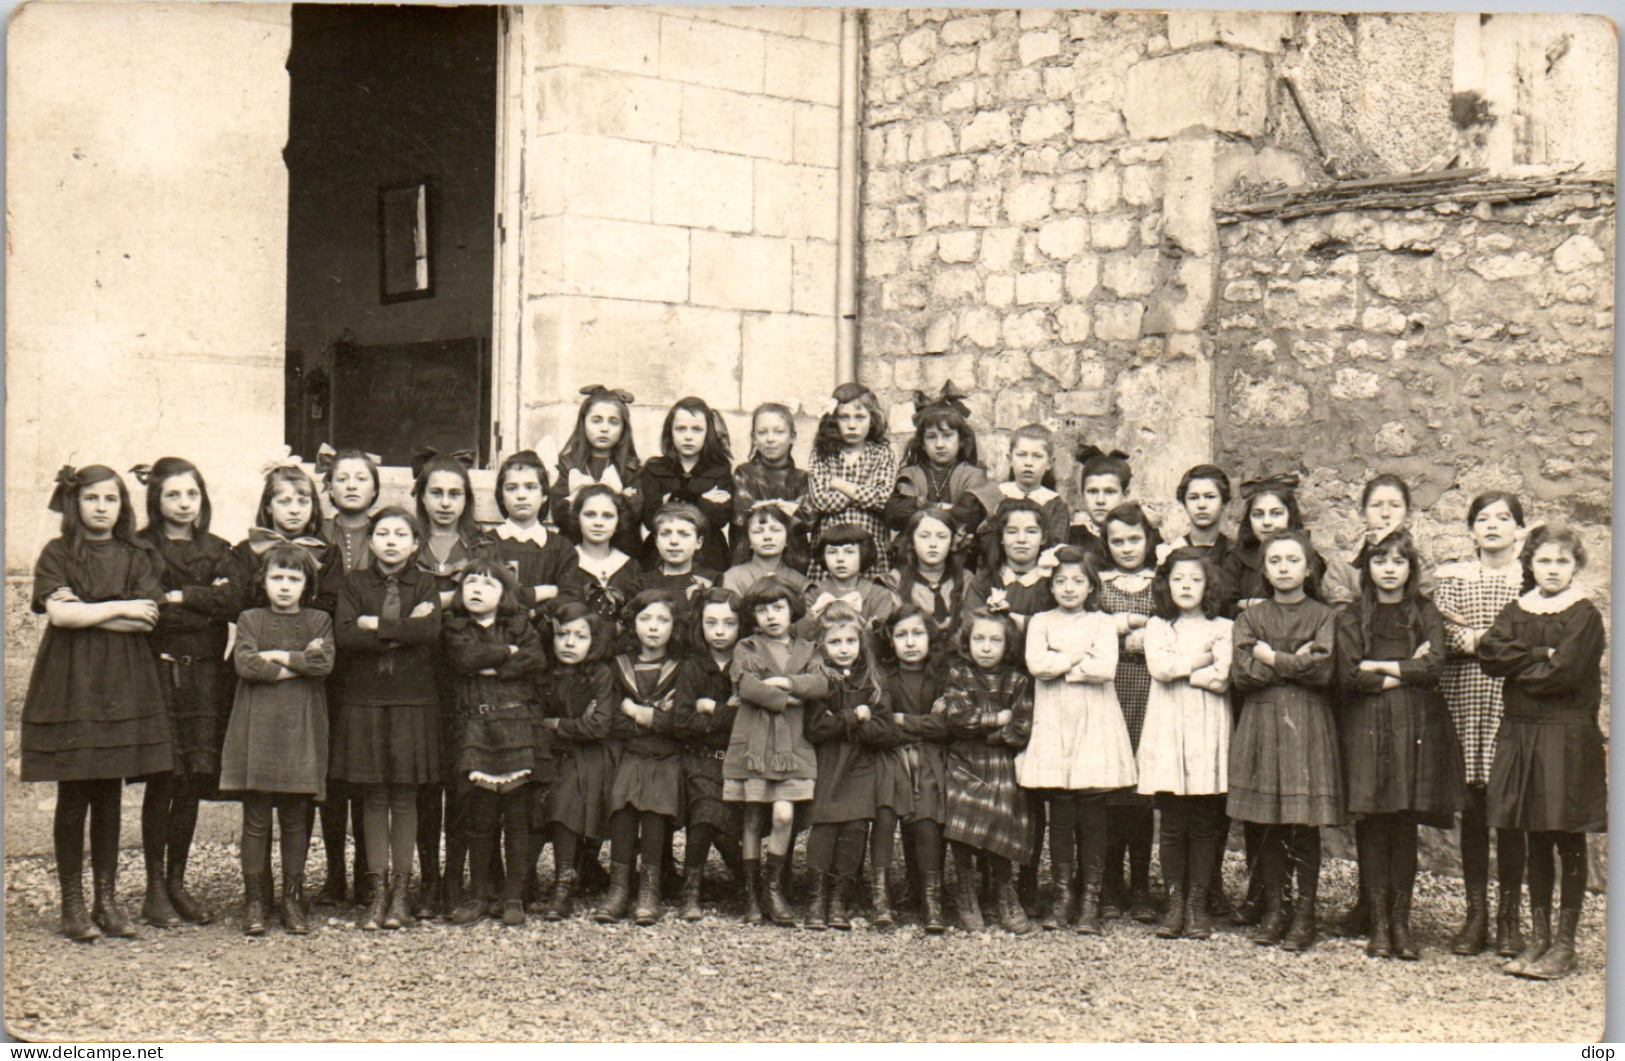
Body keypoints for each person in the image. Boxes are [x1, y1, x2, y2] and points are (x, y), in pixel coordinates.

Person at [22, 465, 171, 940]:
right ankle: (71, 904)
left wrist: (89, 610)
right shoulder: (58, 553)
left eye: (110, 499)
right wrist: (117, 606)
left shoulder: (136, 553)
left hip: (123, 678)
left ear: (122, 506)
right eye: (91, 499)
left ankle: (106, 902)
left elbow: (145, 619)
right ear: (75, 504)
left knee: (108, 791)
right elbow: (59, 616)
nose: (101, 507)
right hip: (71, 678)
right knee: (75, 790)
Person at [1480, 524, 1606, 980]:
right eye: (1545, 560)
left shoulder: (1583, 615)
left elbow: (1563, 674)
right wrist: (1540, 652)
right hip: (1521, 732)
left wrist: (1527, 666)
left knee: (1566, 833)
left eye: (1563, 561)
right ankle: (1539, 939)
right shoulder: (1516, 609)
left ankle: (1566, 945)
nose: (1553, 570)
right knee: (1532, 832)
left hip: (1566, 734)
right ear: (1530, 564)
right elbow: (1490, 657)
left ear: (1576, 566)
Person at [1337, 530, 1461, 960]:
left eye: (1398, 561)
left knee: (1403, 822)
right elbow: (1349, 673)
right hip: (1368, 724)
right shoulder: (1354, 615)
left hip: (1414, 723)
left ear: (1410, 569)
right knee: (1373, 820)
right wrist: (1402, 670)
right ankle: (1378, 925)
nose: (1389, 569)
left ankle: (1401, 924)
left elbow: (1434, 666)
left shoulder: (1424, 611)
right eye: (1380, 561)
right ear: (1368, 569)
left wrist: (1380, 665)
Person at [135, 457, 238, 927]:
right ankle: (154, 887)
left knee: (194, 781)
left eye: (191, 494)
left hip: (206, 679)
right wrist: (201, 598)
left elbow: (233, 602)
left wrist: (180, 596)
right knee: (163, 779)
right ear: (157, 500)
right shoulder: (139, 548)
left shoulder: (219, 549)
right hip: (158, 674)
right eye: (173, 494)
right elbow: (148, 607)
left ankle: (178, 881)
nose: (183, 503)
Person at [1228, 529, 1341, 953]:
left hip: (1306, 719)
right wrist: (1296, 659)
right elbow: (1242, 675)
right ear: (1264, 569)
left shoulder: (1324, 616)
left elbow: (1323, 670)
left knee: (1301, 819)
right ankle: (1277, 908)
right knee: (1268, 820)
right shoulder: (1250, 618)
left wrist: (1270, 656)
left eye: (1293, 560)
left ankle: (1305, 913)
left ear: (1309, 567)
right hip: (1262, 720)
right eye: (1275, 561)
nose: (1284, 568)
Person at [331, 507, 443, 931]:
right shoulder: (354, 583)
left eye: (401, 534)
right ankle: (376, 891)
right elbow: (344, 635)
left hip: (413, 700)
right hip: (365, 700)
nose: (391, 541)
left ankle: (401, 892)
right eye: (382, 533)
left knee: (405, 795)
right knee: (373, 795)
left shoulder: (426, 582)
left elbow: (429, 632)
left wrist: (373, 626)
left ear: (416, 544)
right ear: (370, 541)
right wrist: (399, 629)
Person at [1016, 546, 1133, 935]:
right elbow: (1037, 665)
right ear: (1050, 585)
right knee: (1061, 809)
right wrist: (1077, 658)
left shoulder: (1102, 622)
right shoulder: (1040, 621)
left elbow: (1105, 669)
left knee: (1092, 806)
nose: (1069, 588)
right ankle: (1063, 895)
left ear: (1091, 585)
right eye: (1061, 581)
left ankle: (1090, 899)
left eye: (1078, 581)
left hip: (1094, 719)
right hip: (1054, 720)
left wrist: (1060, 660)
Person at [220, 542, 333, 935]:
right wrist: (298, 659)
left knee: (295, 819)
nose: (285, 586)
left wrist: (277, 655)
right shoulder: (250, 618)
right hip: (257, 726)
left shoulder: (319, 620)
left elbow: (324, 663)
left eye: (294, 579)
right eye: (277, 578)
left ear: (307, 584)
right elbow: (245, 665)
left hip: (300, 726)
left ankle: (291, 899)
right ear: (263, 581)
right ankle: (255, 900)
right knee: (255, 819)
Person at [1433, 491, 1528, 957]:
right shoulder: (1452, 576)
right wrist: (1494, 640)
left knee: (1508, 809)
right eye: (1483, 519)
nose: (1493, 526)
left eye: (1503, 518)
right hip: (1464, 700)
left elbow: (1531, 636)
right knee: (1472, 809)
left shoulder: (1527, 579)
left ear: (1519, 529)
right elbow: (1446, 633)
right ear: (1471, 530)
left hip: (1513, 701)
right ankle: (1476, 914)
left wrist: (1479, 637)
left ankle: (1510, 916)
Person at [441, 561, 548, 927]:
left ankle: (513, 896)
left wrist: (496, 660)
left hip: (516, 725)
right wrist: (508, 654)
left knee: (517, 818)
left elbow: (536, 660)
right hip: (475, 726)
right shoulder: (455, 628)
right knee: (481, 817)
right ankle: (479, 895)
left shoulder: (520, 625)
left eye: (488, 585)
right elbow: (464, 658)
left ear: (504, 595)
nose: (477, 589)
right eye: (470, 582)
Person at [1137, 547, 1232, 941]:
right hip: (1168, 726)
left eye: (1195, 579)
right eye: (1178, 579)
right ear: (1165, 584)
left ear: (1208, 584)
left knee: (1205, 821)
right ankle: (1175, 901)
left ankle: (1198, 901)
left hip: (1207, 727)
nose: (1186, 586)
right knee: (1173, 822)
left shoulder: (1224, 626)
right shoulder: (1159, 626)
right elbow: (1160, 669)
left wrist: (1185, 667)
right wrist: (1201, 662)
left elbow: (1224, 676)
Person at [724, 577, 827, 926]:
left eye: (778, 608)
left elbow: (820, 684)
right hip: (754, 742)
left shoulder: (809, 648)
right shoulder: (747, 647)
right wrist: (792, 699)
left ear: (792, 610)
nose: (771, 616)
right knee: (753, 817)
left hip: (793, 745)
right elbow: (748, 688)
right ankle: (753, 896)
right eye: (762, 609)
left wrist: (783, 682)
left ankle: (773, 887)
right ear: (753, 615)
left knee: (783, 816)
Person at [312, 448, 380, 908]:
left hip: (371, 661)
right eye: (343, 478)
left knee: (365, 769)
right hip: (327, 662)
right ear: (329, 487)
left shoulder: (389, 532)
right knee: (332, 772)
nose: (352, 485)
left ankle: (367, 872)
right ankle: (335, 871)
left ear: (375, 488)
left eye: (361, 478)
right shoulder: (317, 536)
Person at [941, 609, 1036, 935]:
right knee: (961, 803)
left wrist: (988, 732)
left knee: (1003, 804)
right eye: (978, 639)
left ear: (1007, 644)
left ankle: (1004, 890)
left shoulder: (1017, 680)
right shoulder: (959, 675)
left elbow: (1021, 728)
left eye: (995, 640)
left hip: (1002, 762)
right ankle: (965, 887)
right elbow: (957, 718)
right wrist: (997, 720)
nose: (986, 647)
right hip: (964, 759)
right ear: (967, 642)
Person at [595, 591, 687, 925]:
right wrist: (648, 718)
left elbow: (681, 720)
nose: (654, 627)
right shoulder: (620, 667)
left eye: (663, 620)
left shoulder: (682, 668)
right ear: (633, 624)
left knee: (653, 807)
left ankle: (650, 889)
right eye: (646, 619)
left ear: (675, 626)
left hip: (666, 756)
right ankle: (619, 889)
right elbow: (611, 719)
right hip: (630, 754)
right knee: (623, 804)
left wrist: (637, 712)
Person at [1094, 501, 1162, 923]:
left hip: (1151, 691)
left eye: (1134, 539)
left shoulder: (1162, 585)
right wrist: (1122, 636)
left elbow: (1169, 629)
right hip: (1109, 690)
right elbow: (1091, 630)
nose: (1126, 548)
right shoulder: (1100, 587)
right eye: (1117, 541)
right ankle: (1109, 882)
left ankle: (1140, 883)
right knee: (1109, 789)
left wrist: (1143, 636)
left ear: (1148, 540)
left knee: (1141, 791)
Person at [802, 601, 890, 931]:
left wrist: (849, 723)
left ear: (861, 643)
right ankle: (815, 901)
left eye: (850, 641)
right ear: (823, 645)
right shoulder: (819, 680)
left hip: (861, 765)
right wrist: (855, 716)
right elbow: (815, 728)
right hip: (828, 763)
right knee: (824, 828)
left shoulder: (872, 680)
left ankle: (840, 899)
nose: (844, 649)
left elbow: (884, 730)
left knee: (855, 829)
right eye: (835, 642)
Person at [870, 607, 950, 931]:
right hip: (891, 756)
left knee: (928, 818)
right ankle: (881, 898)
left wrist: (906, 720)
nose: (910, 642)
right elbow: (883, 726)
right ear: (890, 640)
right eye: (901, 635)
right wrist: (923, 722)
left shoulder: (941, 678)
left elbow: (946, 726)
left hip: (930, 757)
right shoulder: (883, 677)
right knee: (886, 814)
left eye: (917, 634)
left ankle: (932, 901)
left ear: (930, 637)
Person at [538, 602, 619, 921]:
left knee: (568, 790)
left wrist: (557, 724)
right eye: (563, 635)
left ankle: (563, 883)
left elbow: (599, 726)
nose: (570, 643)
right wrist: (572, 726)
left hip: (593, 754)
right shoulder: (543, 673)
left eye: (580, 636)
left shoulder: (600, 673)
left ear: (594, 641)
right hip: (550, 752)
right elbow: (534, 721)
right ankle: (530, 877)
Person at [672, 588, 748, 920]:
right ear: (699, 625)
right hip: (700, 758)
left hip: (740, 758)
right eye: (711, 622)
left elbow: (751, 719)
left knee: (716, 819)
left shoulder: (746, 663)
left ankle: (745, 881)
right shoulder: (692, 666)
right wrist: (727, 712)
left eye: (729, 623)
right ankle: (692, 891)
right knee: (705, 810)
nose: (720, 631)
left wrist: (711, 710)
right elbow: (683, 722)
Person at [803, 382, 897, 580]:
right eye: (844, 417)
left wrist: (840, 484)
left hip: (870, 544)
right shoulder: (822, 454)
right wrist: (863, 491)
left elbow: (881, 499)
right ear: (833, 420)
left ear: (872, 420)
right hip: (830, 547)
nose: (852, 425)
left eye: (860, 417)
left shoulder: (882, 454)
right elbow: (821, 501)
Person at [638, 396, 735, 574]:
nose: (688, 436)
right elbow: (650, 516)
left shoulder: (719, 470)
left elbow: (719, 516)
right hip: (661, 555)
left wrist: (672, 498)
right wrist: (700, 499)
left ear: (708, 433)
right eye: (681, 429)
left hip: (708, 554)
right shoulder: (655, 468)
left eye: (697, 429)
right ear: (670, 433)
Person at [884, 382, 988, 542]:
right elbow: (894, 514)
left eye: (947, 436)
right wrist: (944, 508)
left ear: (961, 441)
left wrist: (923, 507)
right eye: (931, 437)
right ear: (923, 445)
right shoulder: (911, 474)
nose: (939, 444)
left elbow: (970, 516)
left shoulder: (972, 476)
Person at [547, 383, 643, 557]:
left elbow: (633, 515)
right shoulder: (568, 466)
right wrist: (618, 497)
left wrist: (580, 500)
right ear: (583, 423)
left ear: (624, 428)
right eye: (596, 420)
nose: (604, 428)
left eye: (613, 422)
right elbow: (559, 515)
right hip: (575, 550)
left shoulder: (631, 469)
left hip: (621, 551)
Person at [489, 448, 580, 622]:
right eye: (511, 488)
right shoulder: (486, 544)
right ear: (501, 496)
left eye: (531, 487)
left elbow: (571, 596)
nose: (521, 495)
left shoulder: (561, 548)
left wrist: (540, 611)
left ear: (544, 495)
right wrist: (541, 593)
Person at [960, 424, 1071, 561]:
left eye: (1037, 456)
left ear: (1049, 463)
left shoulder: (1056, 504)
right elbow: (976, 544)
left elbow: (1056, 550)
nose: (1028, 463)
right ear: (1010, 459)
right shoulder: (993, 495)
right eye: (1021, 455)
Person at [730, 402, 810, 572]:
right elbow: (743, 515)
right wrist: (787, 509)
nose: (770, 439)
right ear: (753, 438)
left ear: (792, 436)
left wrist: (765, 507)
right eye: (762, 432)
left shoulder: (802, 478)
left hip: (794, 564)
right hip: (749, 561)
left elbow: (809, 518)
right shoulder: (744, 473)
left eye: (779, 432)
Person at [794, 524, 899, 638]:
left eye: (849, 552)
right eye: (832, 552)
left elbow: (881, 639)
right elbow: (804, 637)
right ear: (823, 555)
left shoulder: (878, 594)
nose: (840, 559)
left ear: (863, 554)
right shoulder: (813, 594)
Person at [564, 483, 639, 627]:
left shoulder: (630, 567)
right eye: (590, 515)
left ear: (619, 521)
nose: (598, 523)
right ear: (577, 518)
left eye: (608, 516)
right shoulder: (565, 562)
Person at [888, 506, 965, 643]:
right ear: (912, 542)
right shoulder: (895, 580)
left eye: (942, 537)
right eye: (924, 536)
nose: (933, 544)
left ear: (952, 542)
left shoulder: (965, 579)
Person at [628, 501, 717, 601]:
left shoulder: (714, 580)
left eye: (684, 534)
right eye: (665, 534)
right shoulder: (641, 585)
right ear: (656, 540)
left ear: (699, 542)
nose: (674, 541)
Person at [723, 500, 808, 598]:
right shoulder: (733, 578)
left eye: (775, 530)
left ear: (787, 540)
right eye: (758, 531)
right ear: (748, 540)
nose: (767, 537)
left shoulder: (799, 581)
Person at [1066, 445, 1131, 554]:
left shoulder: (1136, 537)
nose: (1100, 500)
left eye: (1109, 492)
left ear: (1125, 495)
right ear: (1082, 495)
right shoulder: (1070, 537)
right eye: (1092, 491)